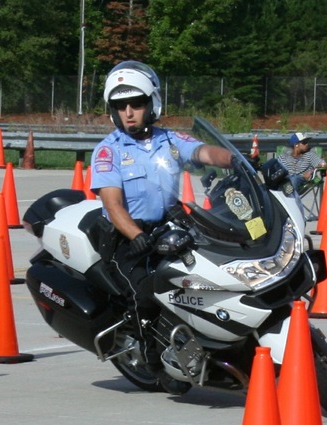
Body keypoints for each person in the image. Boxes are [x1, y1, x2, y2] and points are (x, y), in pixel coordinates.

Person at [89, 60, 235, 381]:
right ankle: (149, 356)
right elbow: (113, 206)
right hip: (127, 238)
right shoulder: (108, 152)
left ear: (151, 104)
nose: (129, 112)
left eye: (136, 104)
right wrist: (136, 236)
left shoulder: (169, 140)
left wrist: (235, 160)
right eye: (121, 106)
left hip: (171, 227)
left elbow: (203, 152)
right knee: (145, 291)